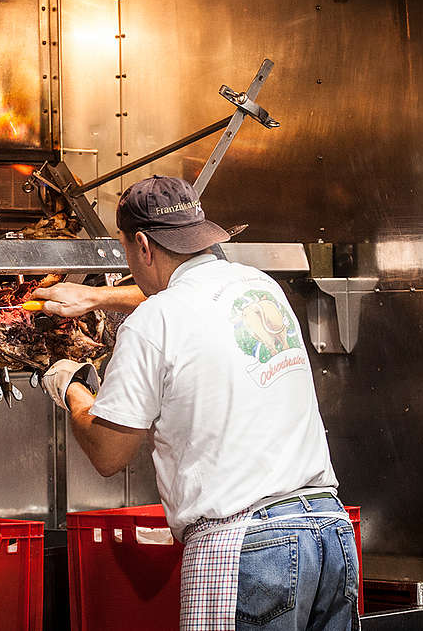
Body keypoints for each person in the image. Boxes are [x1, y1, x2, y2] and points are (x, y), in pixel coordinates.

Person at [34, 175, 359, 631]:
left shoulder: (152, 324)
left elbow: (109, 454)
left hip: (247, 545)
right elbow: (186, 294)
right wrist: (97, 297)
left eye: (127, 251)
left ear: (142, 246)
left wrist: (71, 387)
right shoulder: (260, 287)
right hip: (327, 530)